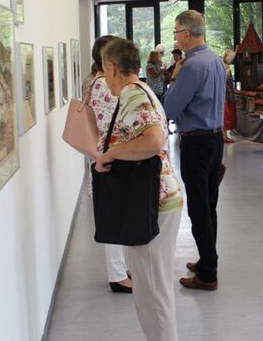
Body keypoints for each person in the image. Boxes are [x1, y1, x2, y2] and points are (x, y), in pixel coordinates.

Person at [95, 38, 184, 341]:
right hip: (158, 199)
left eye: (104, 69)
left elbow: (154, 140)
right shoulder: (142, 90)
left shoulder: (133, 94)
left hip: (153, 203)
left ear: (111, 66)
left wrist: (110, 154)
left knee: (152, 292)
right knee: (151, 289)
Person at [163, 10, 226, 291]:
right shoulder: (214, 60)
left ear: (187, 34)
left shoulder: (190, 66)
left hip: (196, 143)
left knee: (199, 208)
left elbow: (169, 107)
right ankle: (207, 259)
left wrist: (174, 79)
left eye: (176, 32)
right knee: (208, 204)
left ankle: (208, 274)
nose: (175, 38)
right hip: (215, 140)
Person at [88, 36, 133, 294]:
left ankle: (120, 270)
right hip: (110, 158)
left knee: (117, 215)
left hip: (107, 156)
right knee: (115, 217)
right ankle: (117, 276)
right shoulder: (104, 85)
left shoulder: (96, 83)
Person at [222, 49, 237, 143]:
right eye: (231, 57)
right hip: (225, 95)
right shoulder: (225, 67)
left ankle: (225, 136)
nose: (232, 59)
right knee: (225, 117)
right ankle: (224, 136)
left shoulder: (226, 66)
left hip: (228, 95)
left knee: (227, 116)